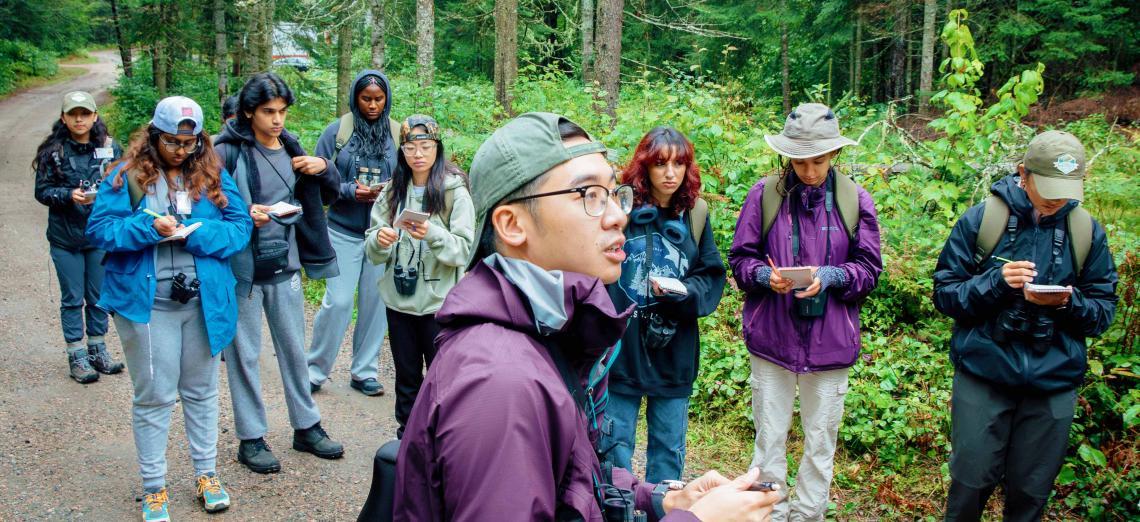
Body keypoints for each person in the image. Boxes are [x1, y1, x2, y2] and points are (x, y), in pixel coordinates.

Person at [394, 112, 779, 521]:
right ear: (512, 224)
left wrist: (661, 501)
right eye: (589, 195)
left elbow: (568, 478)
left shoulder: (546, 335)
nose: (618, 216)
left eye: (614, 194)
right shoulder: (500, 382)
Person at [933, 131, 1118, 521]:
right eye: (1048, 187)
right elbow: (946, 296)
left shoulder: (1086, 232)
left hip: (1053, 382)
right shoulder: (983, 220)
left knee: (1031, 494)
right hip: (985, 373)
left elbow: (1103, 313)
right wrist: (996, 282)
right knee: (969, 483)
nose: (1057, 199)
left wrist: (1068, 301)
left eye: (1067, 189)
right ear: (1023, 174)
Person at [86, 96, 252, 520]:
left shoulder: (213, 174)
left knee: (201, 392)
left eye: (190, 142)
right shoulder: (125, 176)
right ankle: (154, 486)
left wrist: (196, 234)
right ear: (154, 136)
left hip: (203, 302)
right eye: (173, 142)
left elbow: (239, 229)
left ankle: (206, 474)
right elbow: (101, 229)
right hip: (147, 306)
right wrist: (146, 225)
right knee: (156, 395)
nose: (181, 150)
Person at [728, 103, 883, 521]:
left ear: (834, 154)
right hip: (772, 340)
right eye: (800, 161)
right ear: (787, 157)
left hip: (831, 343)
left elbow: (870, 270)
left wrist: (831, 276)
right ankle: (771, 514)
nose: (810, 170)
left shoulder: (854, 199)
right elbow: (741, 259)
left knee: (820, 442)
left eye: (818, 160)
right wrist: (765, 277)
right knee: (770, 439)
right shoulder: (765, 195)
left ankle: (808, 515)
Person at [214, 72, 345, 474]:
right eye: (269, 112)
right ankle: (250, 438)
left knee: (293, 350)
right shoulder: (226, 152)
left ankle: (306, 427)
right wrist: (240, 215)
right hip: (242, 271)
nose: (277, 120)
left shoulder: (292, 148)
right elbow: (205, 202)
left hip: (284, 264)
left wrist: (322, 167)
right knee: (245, 355)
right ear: (248, 111)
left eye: (283, 112)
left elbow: (330, 193)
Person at [603, 126, 726, 483]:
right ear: (645, 167)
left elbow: (711, 275)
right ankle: (616, 509)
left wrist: (682, 293)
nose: (670, 173)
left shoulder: (695, 214)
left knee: (668, 448)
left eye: (679, 164)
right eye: (660, 164)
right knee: (614, 445)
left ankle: (665, 510)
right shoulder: (619, 209)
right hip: (622, 348)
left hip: (674, 350)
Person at [364, 114, 474, 438]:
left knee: (443, 379)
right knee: (407, 378)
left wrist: (432, 233)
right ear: (402, 151)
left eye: (425, 146)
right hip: (399, 303)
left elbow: (463, 251)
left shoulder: (454, 191)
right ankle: (407, 441)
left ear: (437, 149)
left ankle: (444, 442)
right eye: (411, 147)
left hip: (439, 306)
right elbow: (371, 248)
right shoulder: (392, 192)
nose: (418, 154)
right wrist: (380, 240)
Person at [307, 70, 399, 397]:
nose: (373, 105)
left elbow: (410, 180)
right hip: (343, 230)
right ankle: (315, 370)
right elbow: (317, 178)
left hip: (381, 232)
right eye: (366, 99)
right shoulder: (338, 133)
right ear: (355, 98)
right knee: (339, 301)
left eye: (378, 99)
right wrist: (349, 191)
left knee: (376, 304)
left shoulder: (397, 136)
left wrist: (388, 192)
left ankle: (364, 371)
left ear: (387, 98)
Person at [32, 90, 124, 383]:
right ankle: (77, 355)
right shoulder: (53, 152)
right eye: (74, 114)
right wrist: (68, 195)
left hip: (98, 237)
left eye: (85, 114)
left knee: (98, 297)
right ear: (64, 118)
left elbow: (123, 185)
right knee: (73, 298)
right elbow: (42, 191)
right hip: (65, 238)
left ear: (95, 116)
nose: (80, 119)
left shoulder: (110, 148)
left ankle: (98, 349)